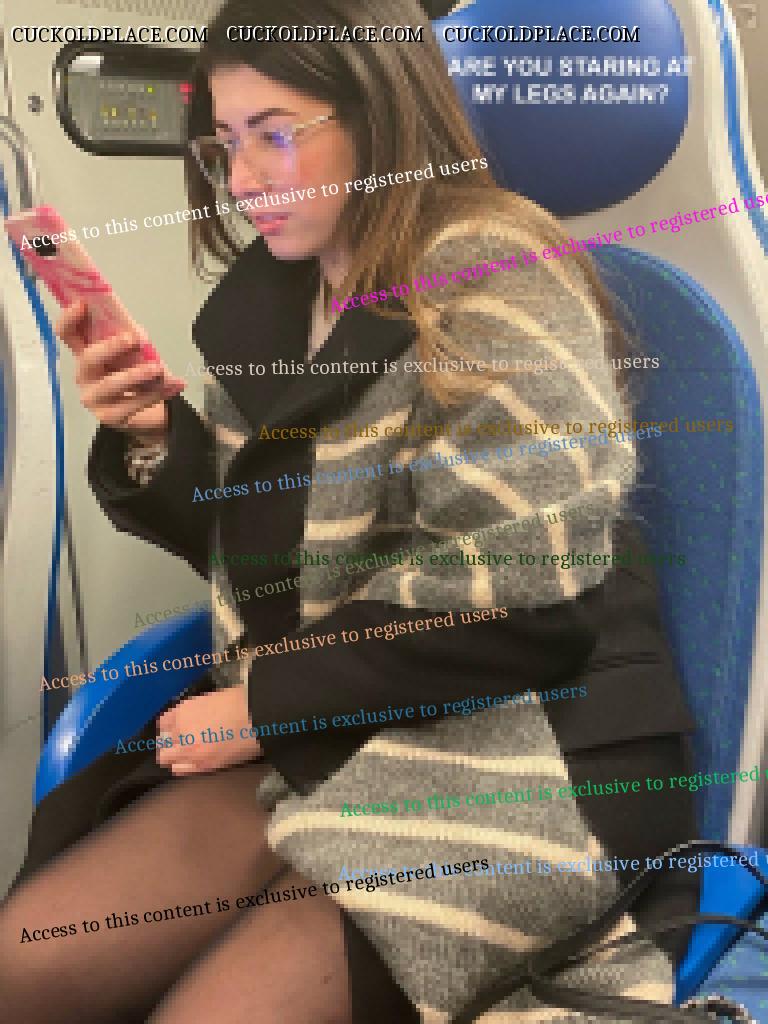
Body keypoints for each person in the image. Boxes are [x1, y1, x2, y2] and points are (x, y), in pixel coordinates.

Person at [0, 1, 700, 1021]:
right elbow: (263, 556)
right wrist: (154, 432)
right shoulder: (283, 292)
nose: (243, 179)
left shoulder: (498, 272)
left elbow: (523, 597)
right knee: (27, 967)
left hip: (524, 740)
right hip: (337, 722)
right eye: (225, 144)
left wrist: (266, 705)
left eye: (275, 134)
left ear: (380, 115)